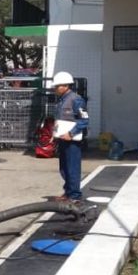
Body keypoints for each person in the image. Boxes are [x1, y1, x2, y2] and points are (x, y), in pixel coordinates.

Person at [51, 71, 88, 202]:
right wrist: (55, 132)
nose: (55, 88)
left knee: (72, 168)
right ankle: (68, 192)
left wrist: (71, 133)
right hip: (62, 138)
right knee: (64, 168)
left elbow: (84, 120)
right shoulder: (62, 100)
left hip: (72, 140)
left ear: (65, 86)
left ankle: (74, 196)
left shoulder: (76, 99)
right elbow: (62, 119)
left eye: (57, 86)